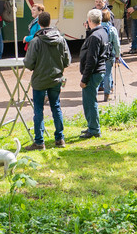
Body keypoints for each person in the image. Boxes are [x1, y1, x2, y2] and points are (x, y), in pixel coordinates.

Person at [23, 11, 70, 150]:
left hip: (40, 79)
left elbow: (29, 63)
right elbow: (67, 61)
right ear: (50, 22)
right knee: (56, 107)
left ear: (39, 23)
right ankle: (60, 139)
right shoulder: (60, 39)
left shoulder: (35, 41)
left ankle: (39, 141)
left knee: (38, 109)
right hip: (56, 78)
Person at [77, 9, 109, 140]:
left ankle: (94, 129)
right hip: (100, 70)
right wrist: (87, 31)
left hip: (93, 72)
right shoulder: (103, 32)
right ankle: (92, 126)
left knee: (89, 102)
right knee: (90, 100)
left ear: (89, 20)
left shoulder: (95, 37)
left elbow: (91, 60)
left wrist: (84, 79)